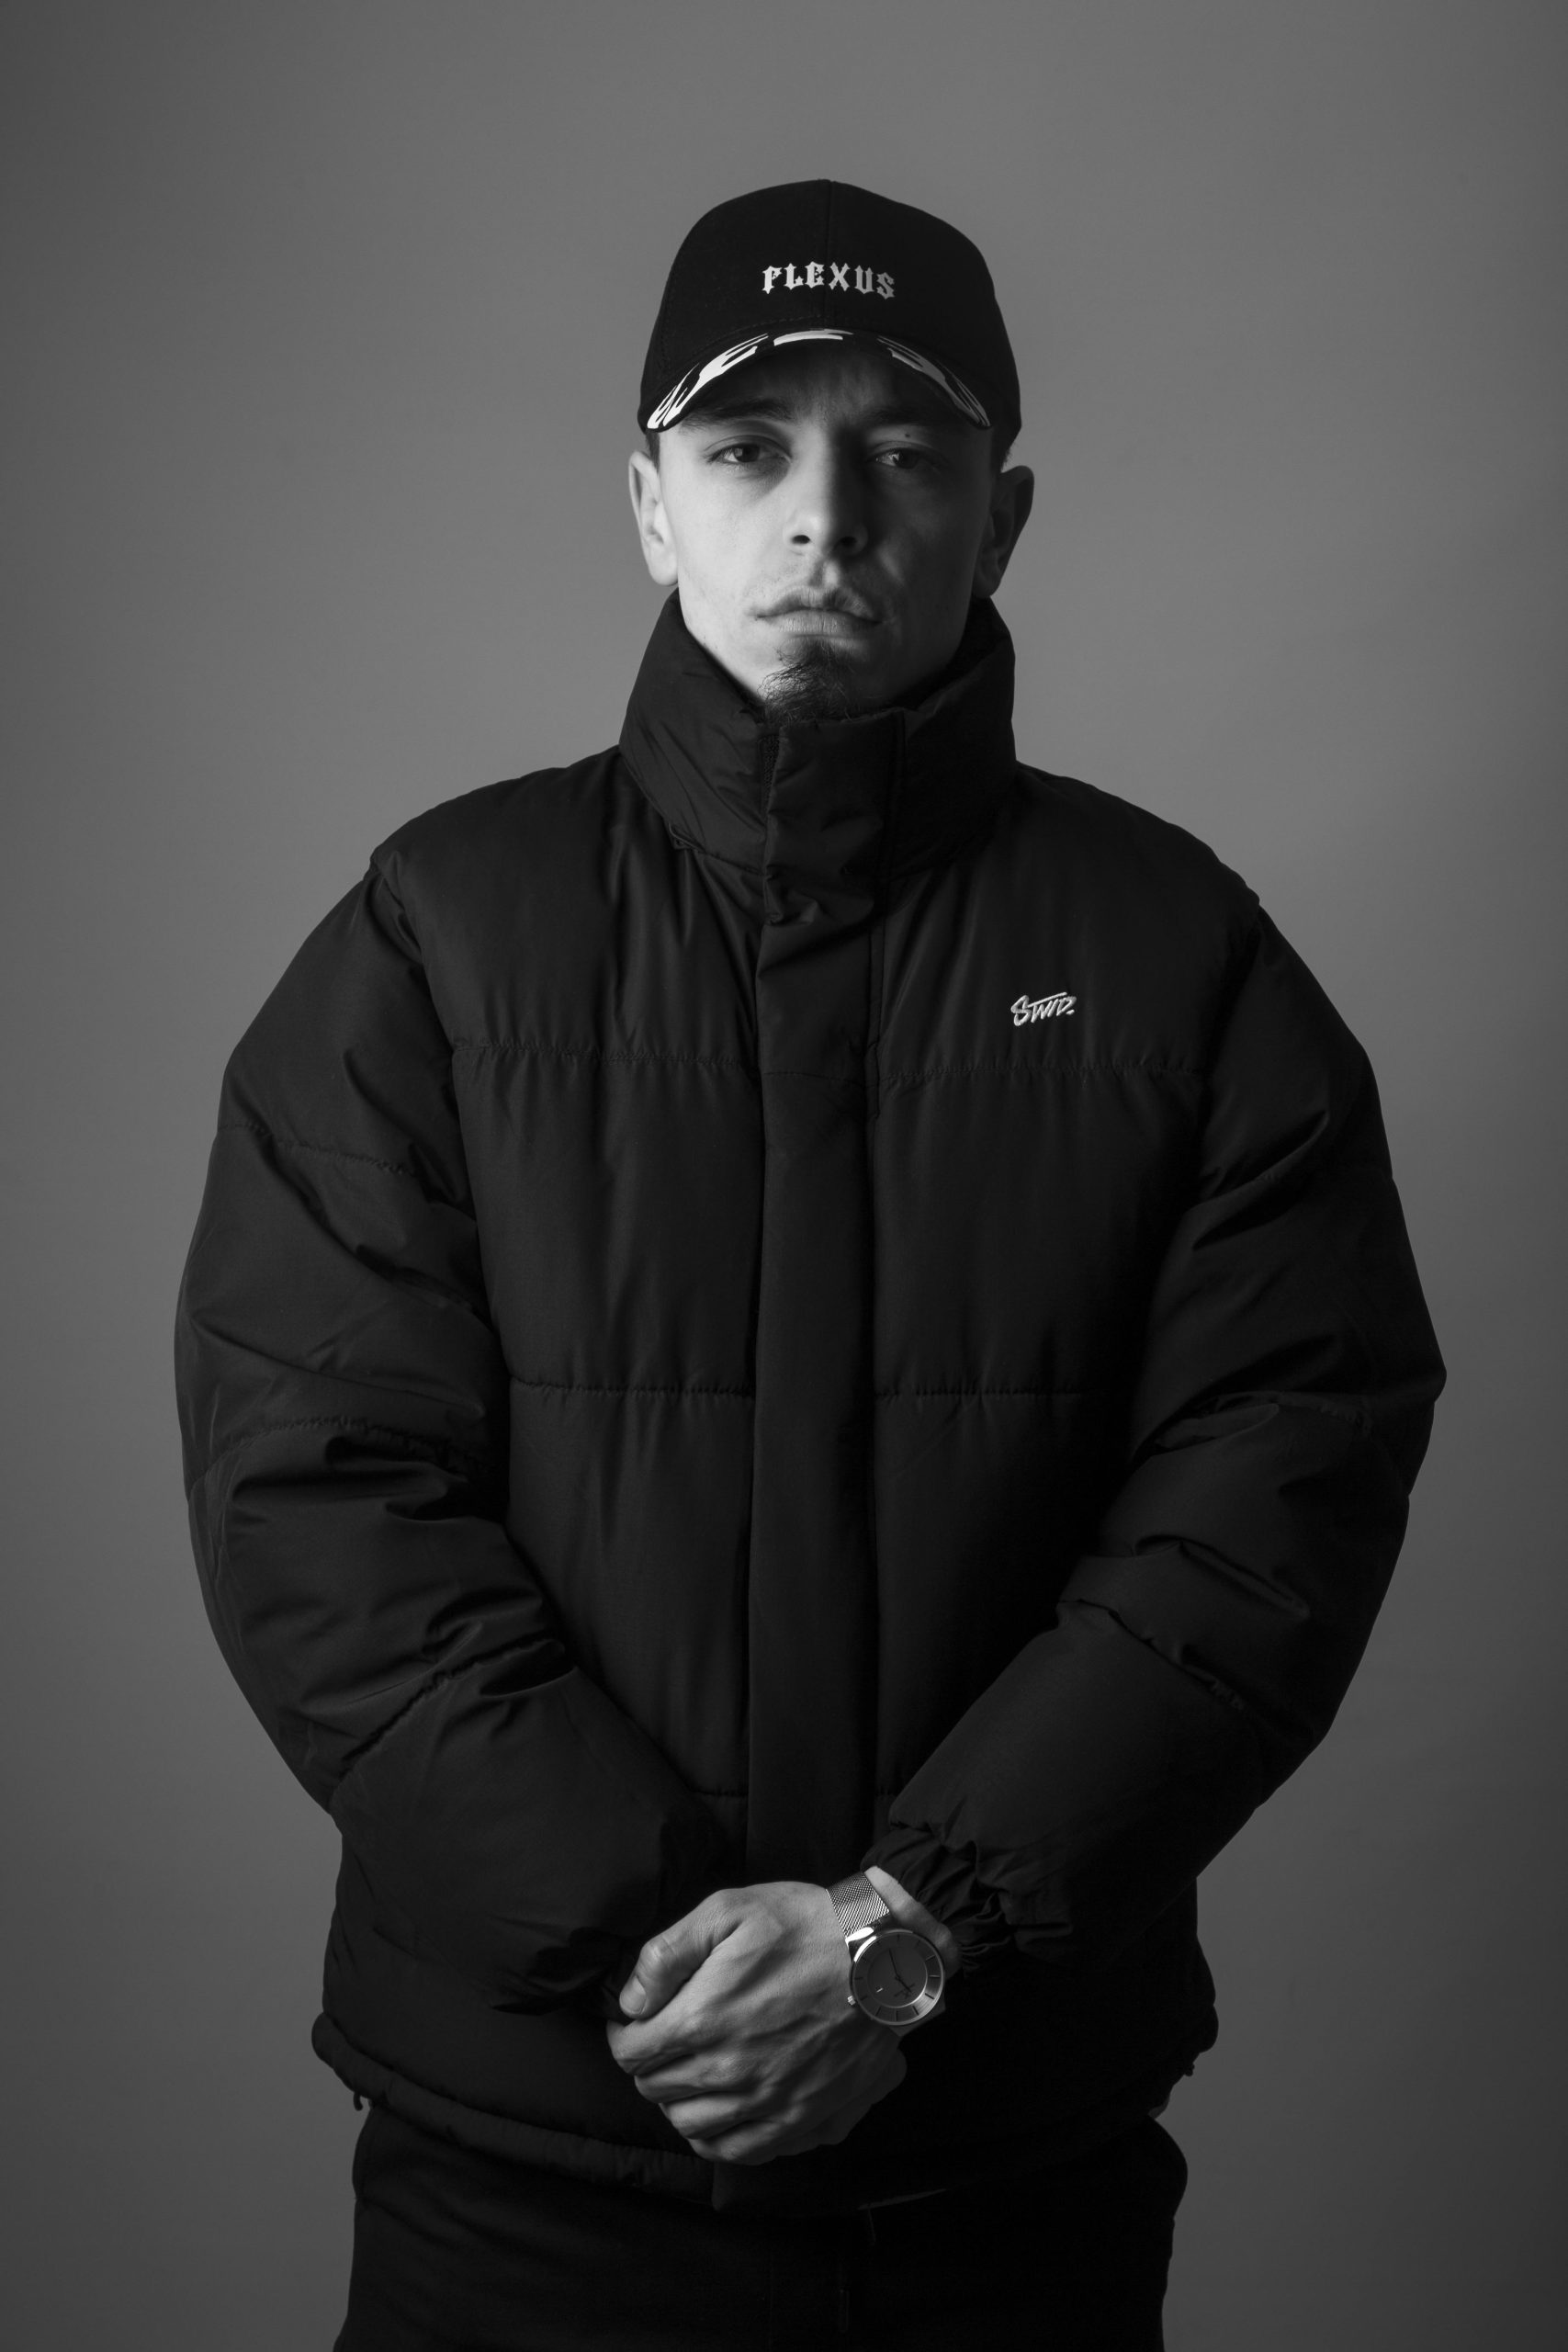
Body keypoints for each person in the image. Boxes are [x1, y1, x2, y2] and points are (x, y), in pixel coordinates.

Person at [174, 179, 1445, 2350]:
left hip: (1001, 2172)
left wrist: (900, 1940)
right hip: (530, 2167)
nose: (824, 517)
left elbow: (1272, 1492)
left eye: (905, 454)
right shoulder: (435, 935)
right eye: (747, 446)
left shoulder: (1181, 962)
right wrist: (686, 1955)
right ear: (648, 505)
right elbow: (317, 1483)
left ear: (1003, 516)